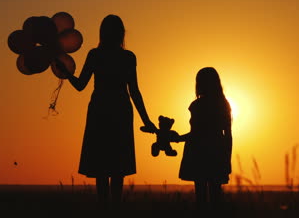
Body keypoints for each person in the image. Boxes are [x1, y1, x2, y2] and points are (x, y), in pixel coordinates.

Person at [55, 14, 157, 209]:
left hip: (100, 110)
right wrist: (146, 120)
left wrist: (66, 73)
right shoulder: (128, 57)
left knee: (101, 166)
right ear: (121, 34)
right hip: (120, 110)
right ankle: (115, 208)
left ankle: (103, 208)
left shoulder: (95, 54)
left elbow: (80, 86)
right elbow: (134, 91)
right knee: (118, 166)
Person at [178, 67, 233, 210]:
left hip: (198, 153)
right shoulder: (223, 104)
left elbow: (196, 133)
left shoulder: (197, 105)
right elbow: (228, 134)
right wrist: (227, 157)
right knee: (216, 197)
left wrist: (178, 138)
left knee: (201, 198)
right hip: (217, 152)